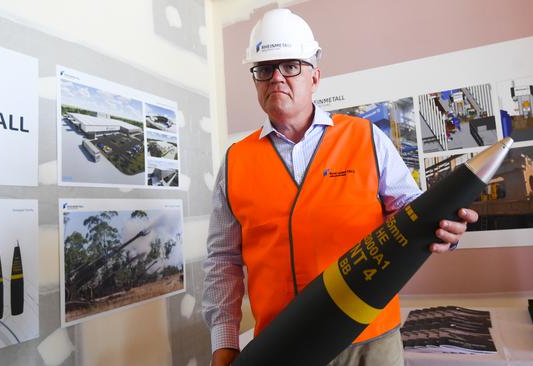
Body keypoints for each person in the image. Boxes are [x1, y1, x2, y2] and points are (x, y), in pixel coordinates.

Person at [202, 8, 479, 366]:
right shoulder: (236, 161)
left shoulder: (366, 138)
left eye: (290, 66)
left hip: (369, 342)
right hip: (282, 344)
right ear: (255, 79)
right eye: (265, 68)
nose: (276, 78)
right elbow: (222, 260)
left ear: (314, 77)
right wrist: (224, 343)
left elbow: (411, 216)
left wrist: (446, 230)